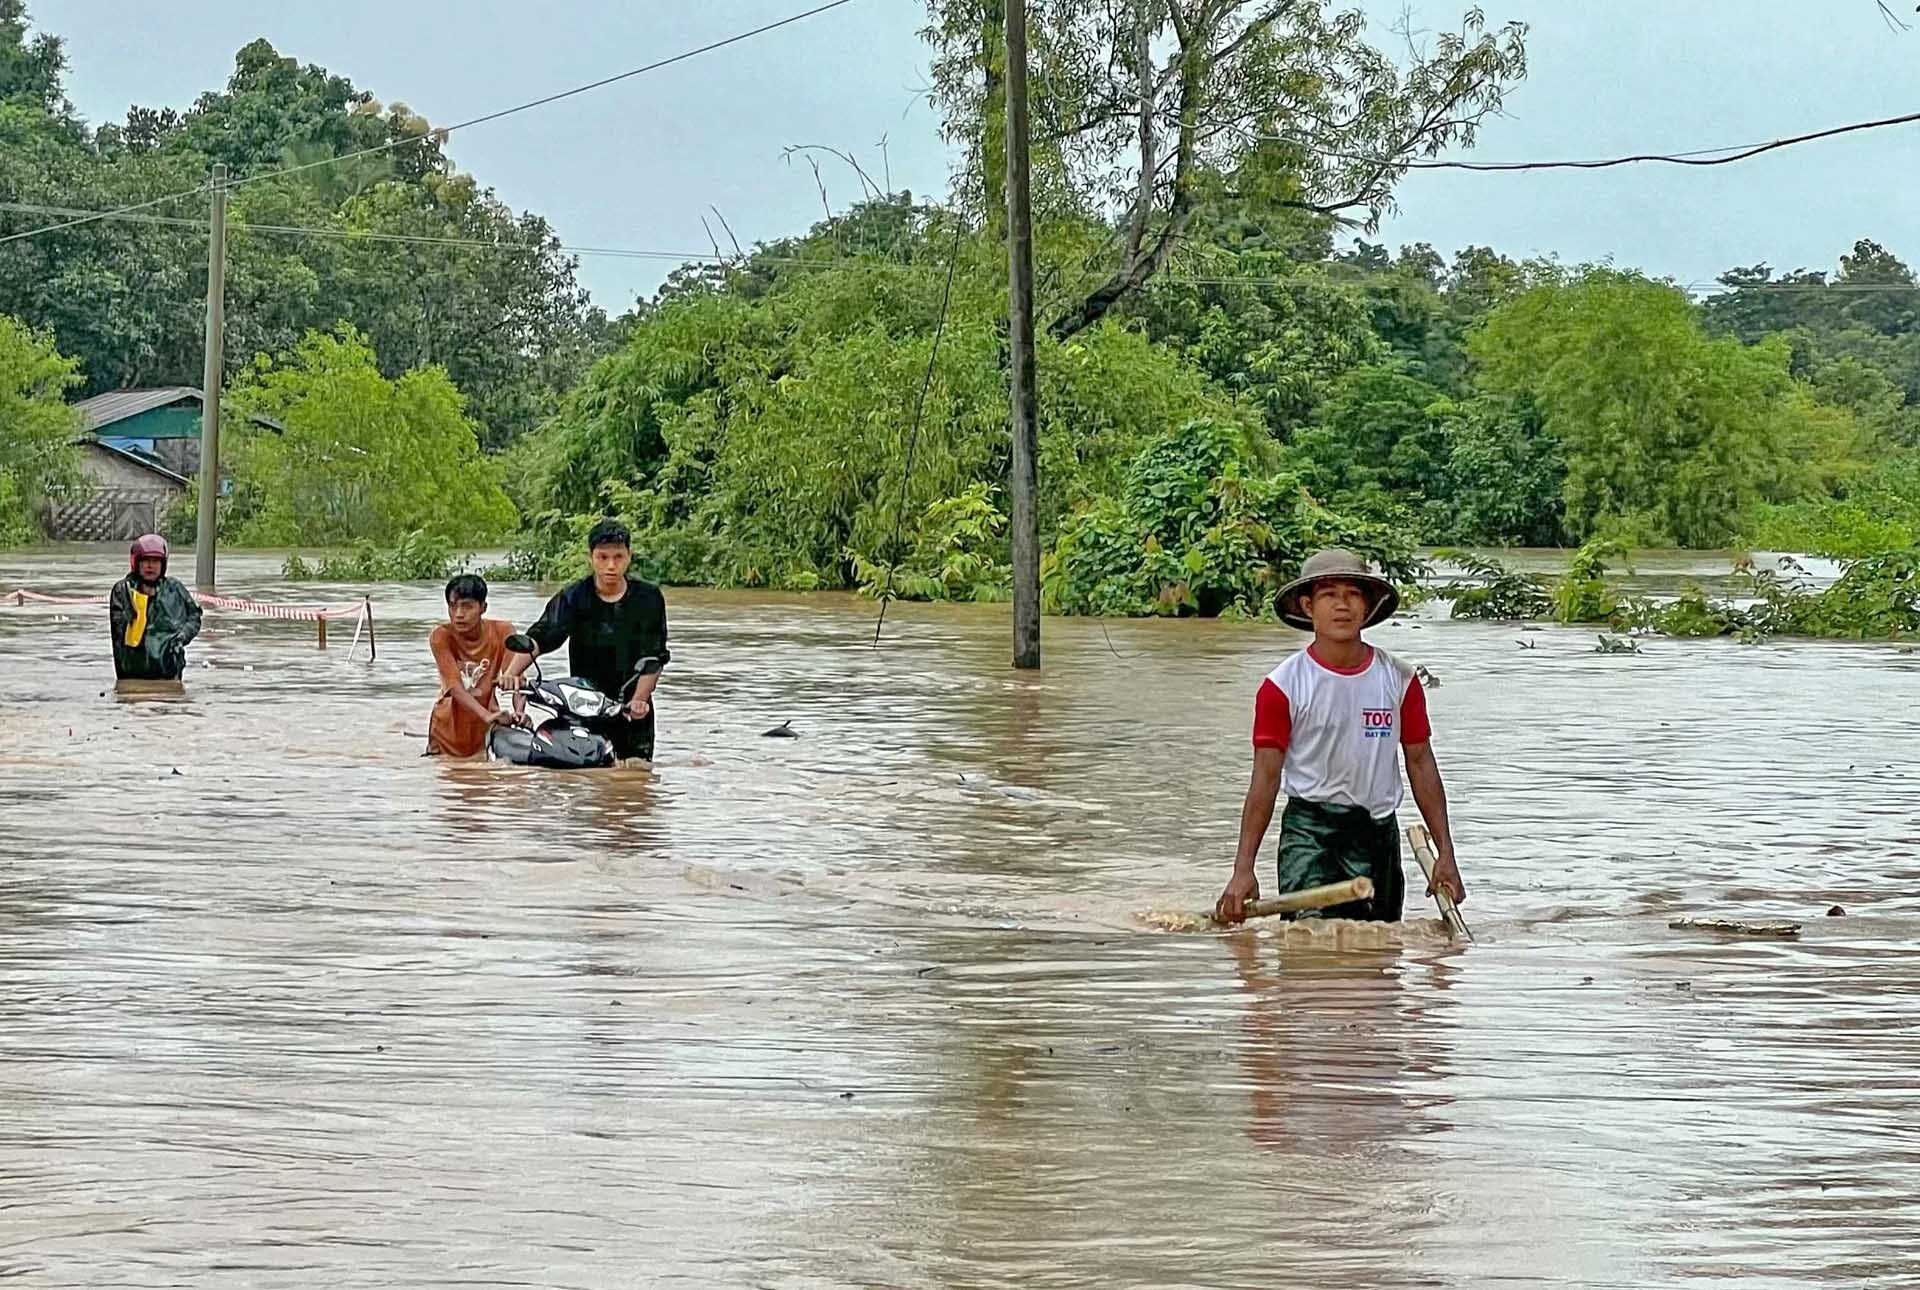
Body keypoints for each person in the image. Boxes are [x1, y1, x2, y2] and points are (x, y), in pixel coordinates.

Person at [1215, 547, 1464, 925]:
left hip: (1377, 833)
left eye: (1352, 595)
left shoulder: (1399, 680)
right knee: (1308, 947)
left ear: (1367, 606)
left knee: (1376, 955)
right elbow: (1264, 780)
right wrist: (1243, 869)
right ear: (1307, 606)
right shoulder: (1283, 686)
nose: (1342, 605)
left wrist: (1445, 853)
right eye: (1329, 595)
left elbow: (1421, 763)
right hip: (1310, 833)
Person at [501, 519, 669, 764]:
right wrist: (511, 674)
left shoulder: (649, 599)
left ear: (629, 557)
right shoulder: (574, 596)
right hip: (583, 703)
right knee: (583, 783)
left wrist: (640, 699)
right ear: (591, 557)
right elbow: (542, 636)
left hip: (631, 708)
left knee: (635, 782)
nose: (611, 565)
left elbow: (654, 656)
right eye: (603, 557)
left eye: (618, 557)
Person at [426, 573, 520, 758]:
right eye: (453, 606)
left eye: (467, 606)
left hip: (485, 730)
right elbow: (453, 686)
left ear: (483, 608)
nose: (459, 614)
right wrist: (486, 715)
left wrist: (519, 712)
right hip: (447, 731)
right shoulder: (441, 636)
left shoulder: (503, 632)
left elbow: (516, 678)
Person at [108, 533, 203, 682]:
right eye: (146, 561)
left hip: (169, 673)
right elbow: (123, 631)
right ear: (137, 563)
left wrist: (182, 637)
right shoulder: (123, 590)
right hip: (133, 674)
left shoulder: (174, 588)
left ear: (163, 564)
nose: (150, 566)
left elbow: (194, 616)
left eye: (155, 561)